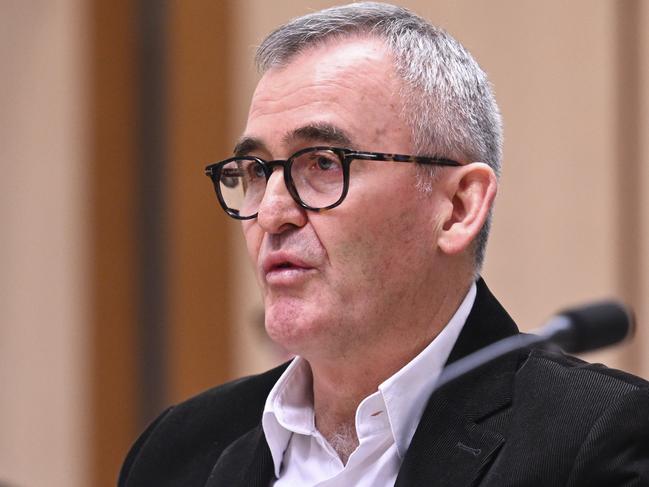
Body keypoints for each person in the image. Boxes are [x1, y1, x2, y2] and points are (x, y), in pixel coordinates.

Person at [119, 3, 649, 486]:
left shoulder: (596, 443)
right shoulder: (178, 450)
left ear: (459, 207)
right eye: (256, 172)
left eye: (323, 164)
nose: (272, 212)